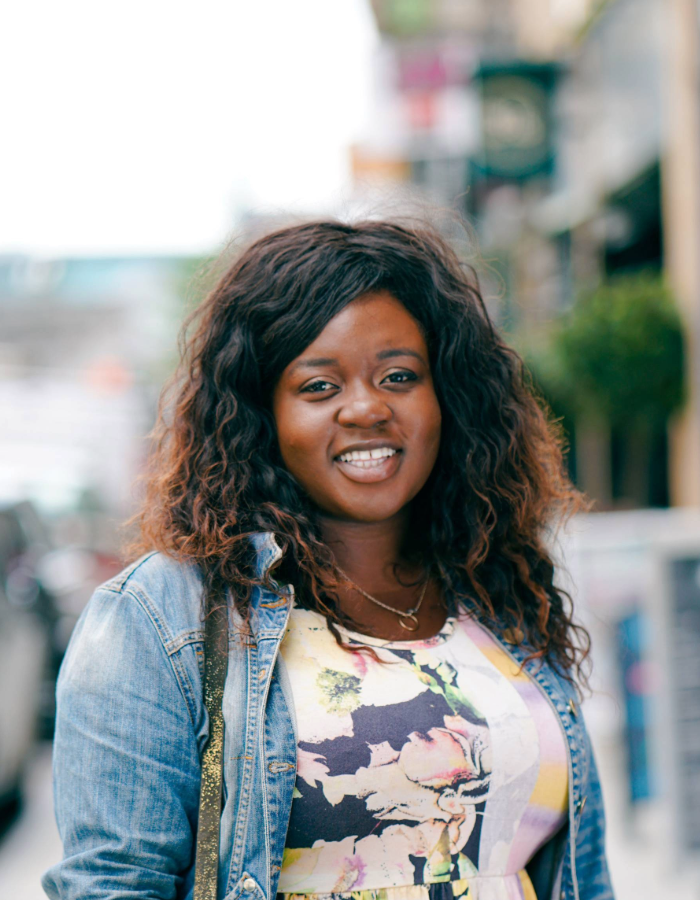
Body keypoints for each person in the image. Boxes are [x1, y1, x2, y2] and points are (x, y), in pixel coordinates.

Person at [42, 220, 614, 900]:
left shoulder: (499, 587)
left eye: (399, 376)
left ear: (447, 398)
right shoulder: (162, 616)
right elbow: (115, 884)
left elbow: (577, 873)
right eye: (319, 387)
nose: (367, 407)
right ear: (263, 414)